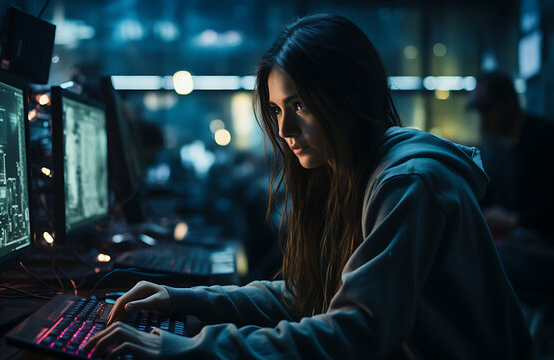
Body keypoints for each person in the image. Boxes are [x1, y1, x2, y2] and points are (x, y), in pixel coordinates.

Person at [82, 14, 534, 359]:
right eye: (277, 111)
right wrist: (179, 299)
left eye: (299, 105)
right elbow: (308, 295)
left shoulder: (406, 183)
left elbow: (357, 330)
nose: (285, 129)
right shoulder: (351, 171)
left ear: (347, 95)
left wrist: (186, 349)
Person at [469, 72, 554, 244]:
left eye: (488, 110)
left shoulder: (545, 138)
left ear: (508, 103)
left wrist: (512, 221)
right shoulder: (497, 149)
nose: (484, 119)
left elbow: (548, 205)